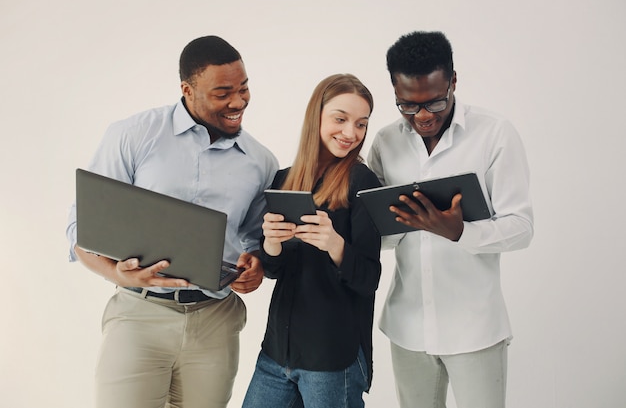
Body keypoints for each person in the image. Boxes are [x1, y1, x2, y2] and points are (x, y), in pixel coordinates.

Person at [65, 35, 278, 408]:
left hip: (216, 321)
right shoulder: (134, 135)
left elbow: (254, 239)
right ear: (187, 89)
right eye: (223, 92)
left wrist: (255, 266)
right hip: (139, 315)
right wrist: (118, 275)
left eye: (244, 88)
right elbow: (81, 231)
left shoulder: (261, 161)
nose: (238, 101)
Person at [367, 31, 534, 408]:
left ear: (454, 81)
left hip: (474, 328)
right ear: (394, 90)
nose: (423, 117)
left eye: (435, 102)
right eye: (408, 106)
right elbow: (380, 235)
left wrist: (459, 232)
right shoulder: (384, 142)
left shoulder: (495, 135)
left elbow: (521, 227)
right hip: (407, 325)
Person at [242, 74, 382, 408]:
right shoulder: (284, 180)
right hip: (278, 351)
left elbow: (369, 278)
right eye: (341, 119)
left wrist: (334, 244)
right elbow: (275, 269)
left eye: (361, 124)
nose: (351, 133)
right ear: (315, 116)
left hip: (332, 358)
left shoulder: (362, 182)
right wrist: (272, 244)